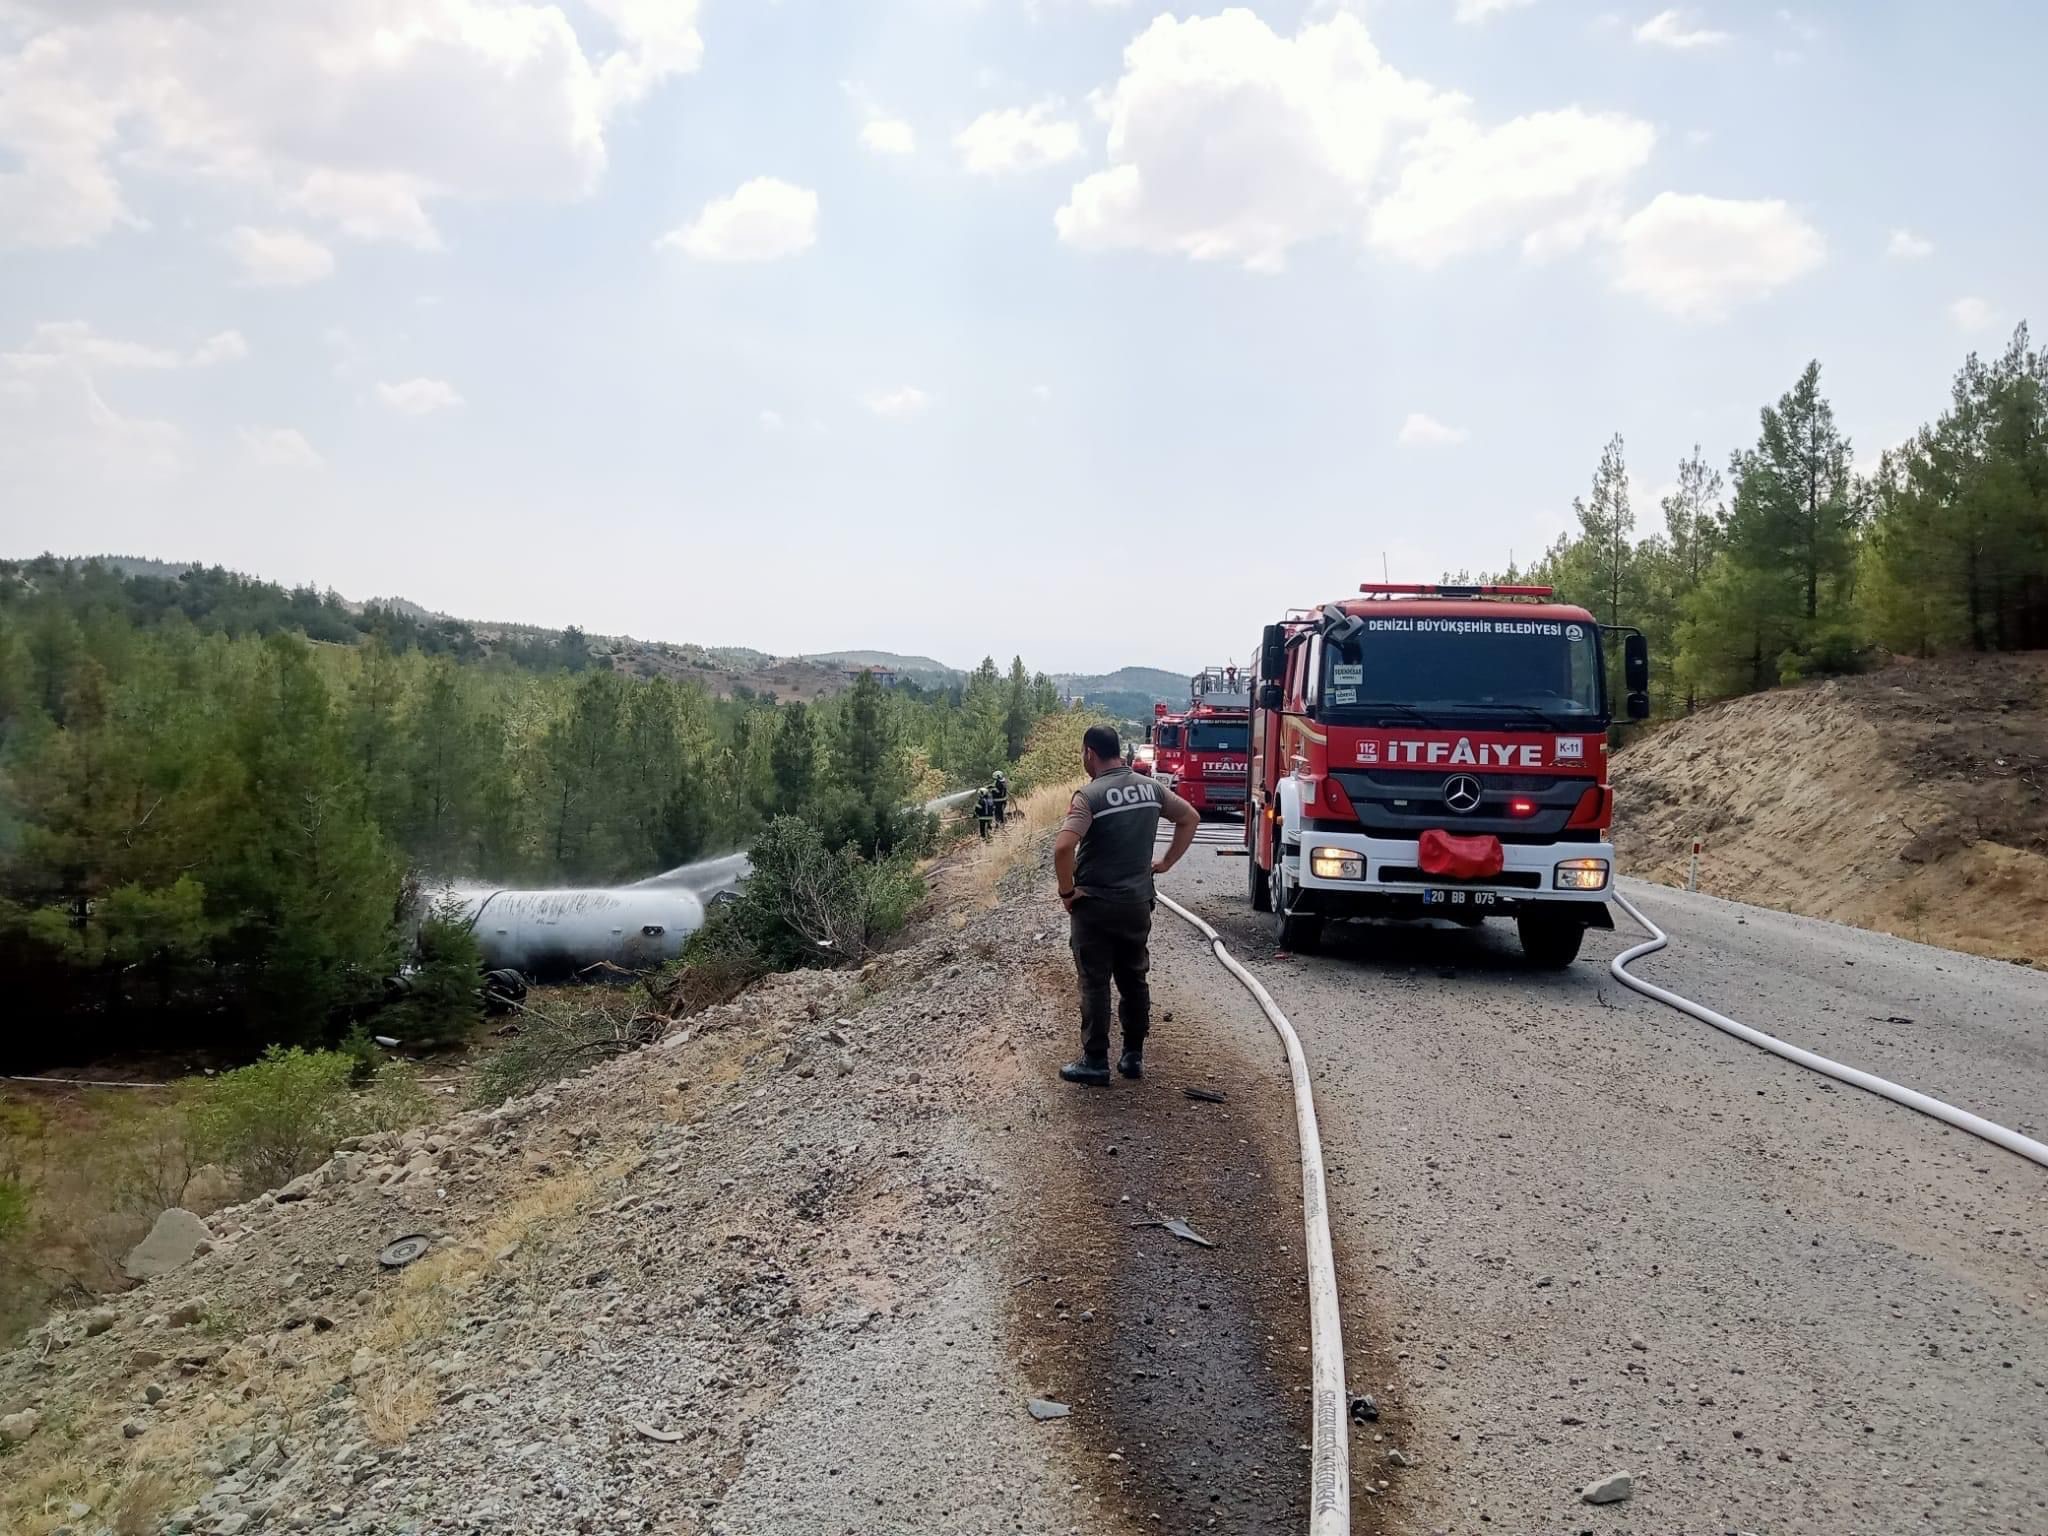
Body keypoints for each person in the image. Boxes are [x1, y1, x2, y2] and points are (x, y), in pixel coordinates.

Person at [1052, 723, 1199, 1085]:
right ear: (1119, 751)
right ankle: (1133, 1057)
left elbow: (1063, 847)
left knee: (1095, 981)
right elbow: (1190, 818)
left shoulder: (1090, 796)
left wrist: (1067, 892)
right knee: (1134, 978)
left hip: (1096, 906)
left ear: (1090, 752)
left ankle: (1095, 1061)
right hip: (1137, 903)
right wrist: (1165, 863)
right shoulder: (1151, 789)